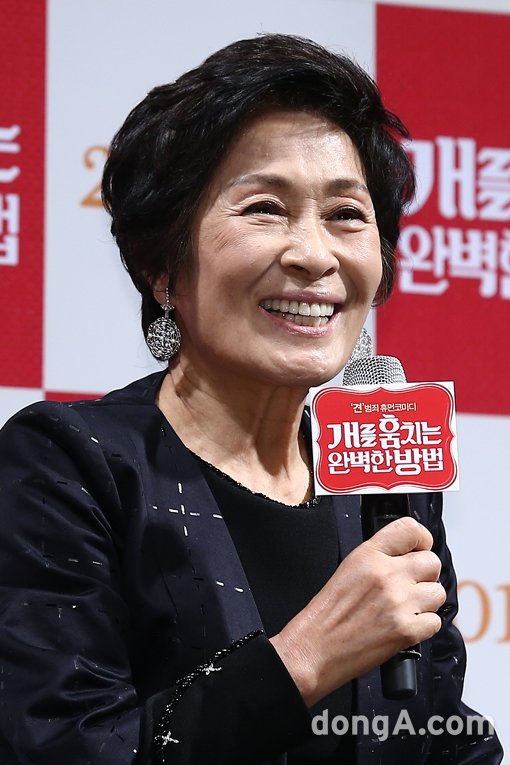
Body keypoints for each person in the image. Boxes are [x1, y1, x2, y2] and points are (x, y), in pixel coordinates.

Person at [0, 33, 502, 765]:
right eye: (266, 208)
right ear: (164, 267)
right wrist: (304, 658)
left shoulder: (386, 485)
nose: (315, 255)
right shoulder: (72, 464)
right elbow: (62, 745)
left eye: (346, 214)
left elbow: (437, 730)